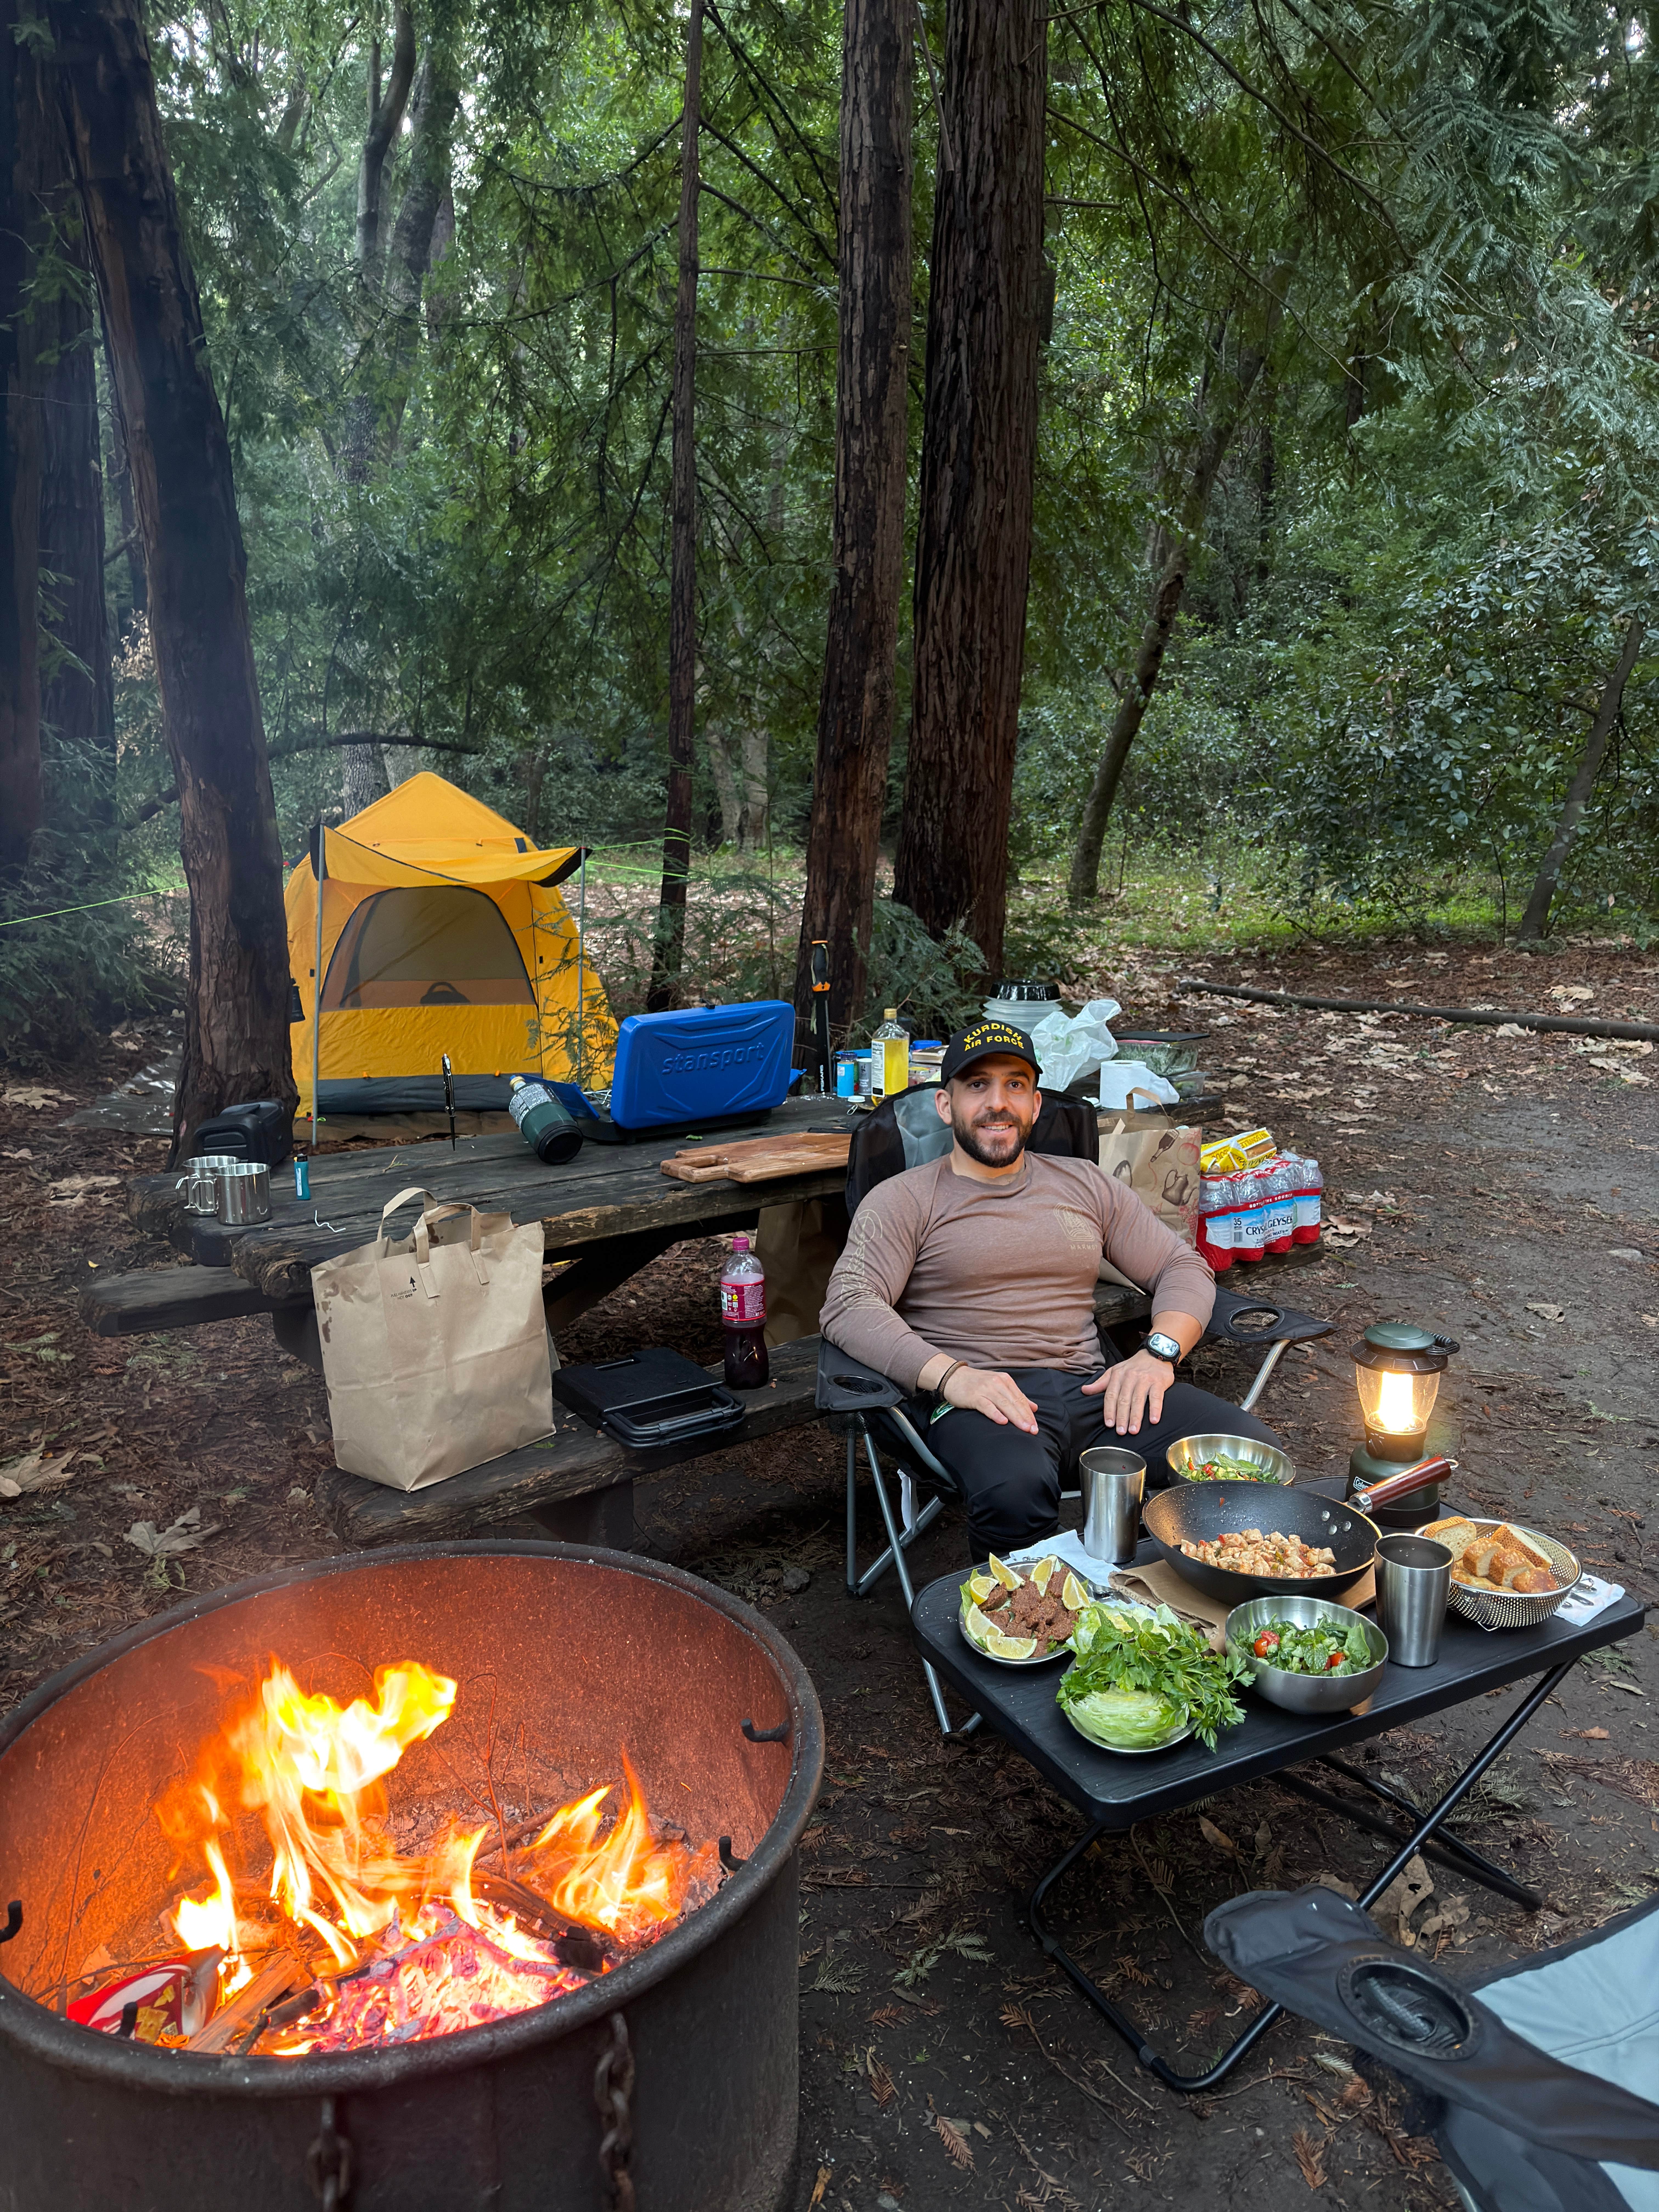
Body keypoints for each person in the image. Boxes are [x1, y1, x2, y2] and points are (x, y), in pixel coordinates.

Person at [819, 1017, 1286, 1560]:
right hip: (981, 1401)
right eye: (978, 1085)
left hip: (1098, 1391)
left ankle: (1181, 1609)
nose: (999, 1103)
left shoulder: (1084, 1184)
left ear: (1036, 1106)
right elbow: (849, 1304)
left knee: (1254, 1459)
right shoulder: (905, 1200)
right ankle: (1028, 1631)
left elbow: (1181, 1267)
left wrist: (1158, 1355)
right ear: (946, 1107)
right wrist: (952, 1378)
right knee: (1014, 1494)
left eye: (1016, 1085)